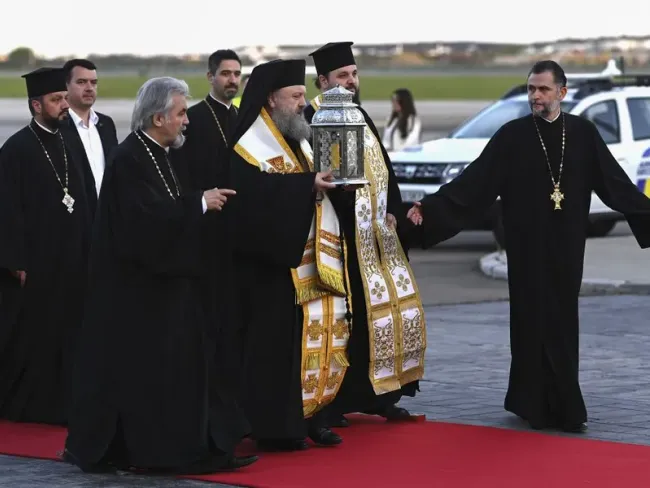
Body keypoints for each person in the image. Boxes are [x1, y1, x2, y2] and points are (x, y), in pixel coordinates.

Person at [407, 60, 650, 433]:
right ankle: (530, 403)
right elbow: (475, 183)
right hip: (525, 245)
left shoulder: (583, 133)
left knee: (563, 321)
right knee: (530, 320)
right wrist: (431, 208)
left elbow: (615, 184)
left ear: (562, 93)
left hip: (567, 245)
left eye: (543, 89)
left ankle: (566, 406)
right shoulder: (513, 136)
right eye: (531, 89)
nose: (536, 96)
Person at [63, 77, 256, 475]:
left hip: (167, 286)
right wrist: (198, 204)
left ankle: (200, 445)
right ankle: (170, 453)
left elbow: (164, 212)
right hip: (140, 294)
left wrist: (198, 207)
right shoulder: (130, 158)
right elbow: (143, 224)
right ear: (158, 118)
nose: (187, 121)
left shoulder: (159, 154)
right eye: (181, 113)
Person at [305, 42, 426, 427]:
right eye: (342, 75)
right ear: (323, 81)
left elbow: (384, 169)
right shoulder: (312, 116)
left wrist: (395, 211)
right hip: (343, 240)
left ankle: (381, 395)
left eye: (354, 74)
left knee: (387, 316)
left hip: (377, 238)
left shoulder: (359, 113)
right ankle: (338, 400)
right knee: (350, 323)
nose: (351, 81)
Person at [229, 58, 348, 451]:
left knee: (317, 342)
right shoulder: (247, 146)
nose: (302, 103)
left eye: (302, 95)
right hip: (271, 268)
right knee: (275, 351)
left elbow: (308, 186)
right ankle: (276, 427)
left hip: (310, 263)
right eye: (295, 96)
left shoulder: (298, 137)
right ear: (271, 99)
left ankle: (315, 417)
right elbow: (251, 200)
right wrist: (306, 186)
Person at [0, 67, 92, 426]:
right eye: (56, 100)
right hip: (36, 264)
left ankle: (65, 403)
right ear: (36, 105)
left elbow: (84, 196)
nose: (64, 105)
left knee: (70, 333)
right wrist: (15, 260)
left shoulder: (70, 143)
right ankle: (28, 406)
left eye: (64, 99)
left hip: (72, 259)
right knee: (35, 337)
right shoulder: (16, 149)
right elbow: (6, 210)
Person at [182, 49, 242, 374]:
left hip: (238, 232)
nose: (232, 80)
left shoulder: (243, 118)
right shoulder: (192, 119)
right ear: (210, 77)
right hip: (206, 231)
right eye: (225, 74)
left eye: (237, 74)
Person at [62, 58, 119, 217]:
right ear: (65, 86)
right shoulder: (58, 127)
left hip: (106, 217)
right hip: (74, 218)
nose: (89, 88)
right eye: (81, 82)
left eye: (93, 83)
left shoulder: (106, 124)